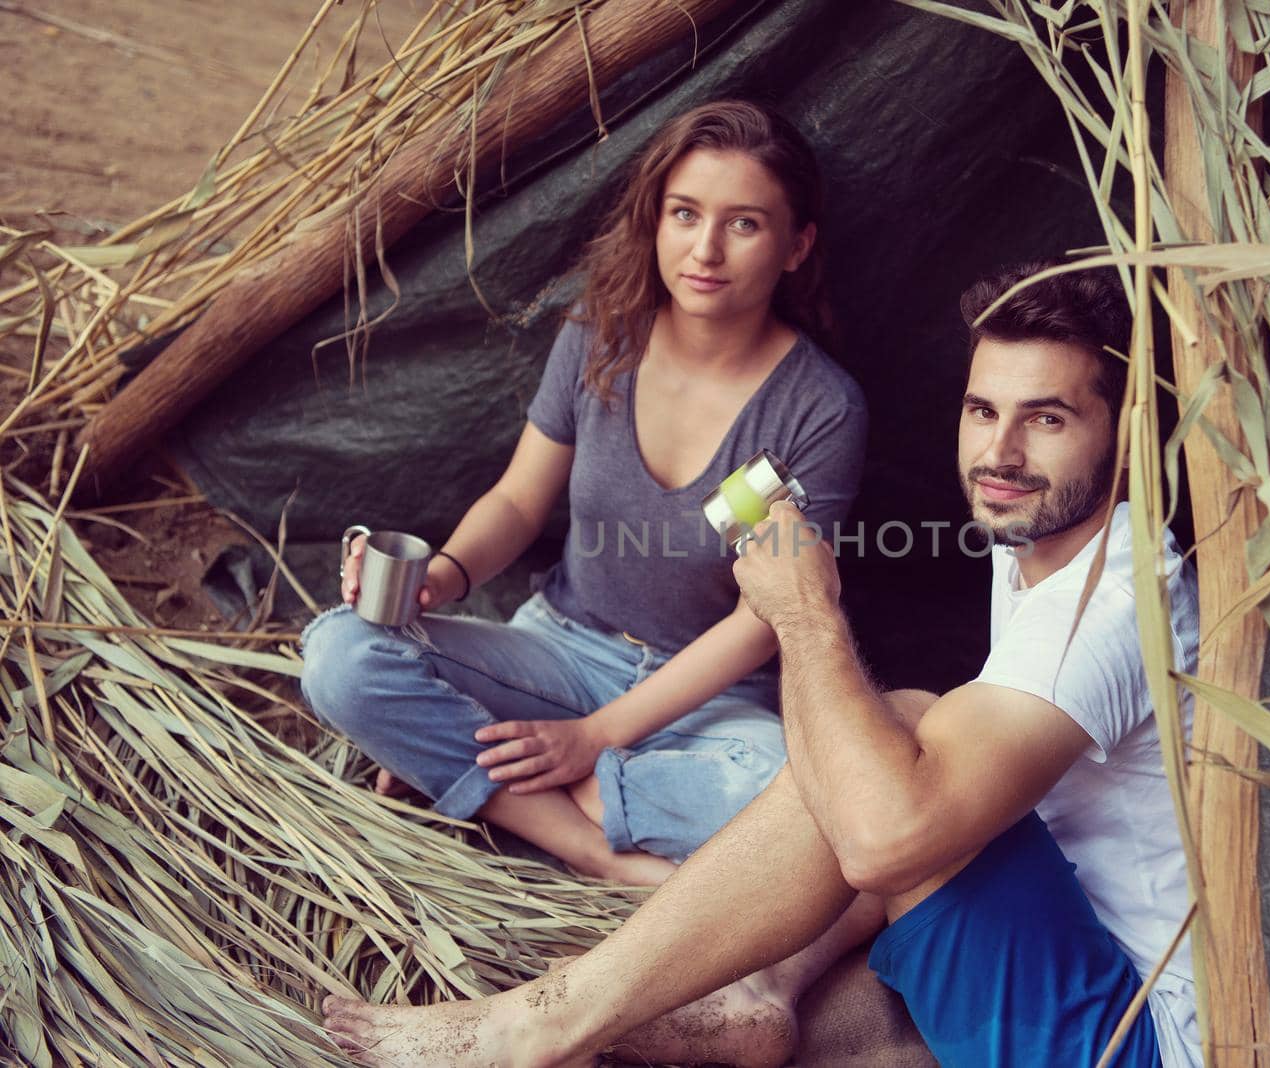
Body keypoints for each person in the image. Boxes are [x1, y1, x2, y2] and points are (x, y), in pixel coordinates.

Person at [321, 262, 1201, 1068]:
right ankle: (753, 995)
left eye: (1046, 418)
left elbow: (883, 840)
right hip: (1065, 940)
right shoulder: (1042, 549)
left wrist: (802, 609)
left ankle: (545, 1022)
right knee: (913, 726)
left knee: (894, 744)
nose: (1000, 454)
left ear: (1123, 431)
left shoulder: (1113, 601)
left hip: (1125, 1038)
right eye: (982, 411)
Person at [299, 99, 868, 887]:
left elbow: (760, 625)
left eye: (744, 224)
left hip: (707, 700)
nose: (705, 249)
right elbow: (518, 501)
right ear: (656, 219)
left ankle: (477, 780)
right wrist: (444, 575)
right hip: (559, 651)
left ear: (796, 245)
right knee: (340, 654)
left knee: (786, 789)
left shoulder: (820, 407)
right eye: (684, 213)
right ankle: (593, 848)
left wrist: (596, 737)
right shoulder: (602, 333)